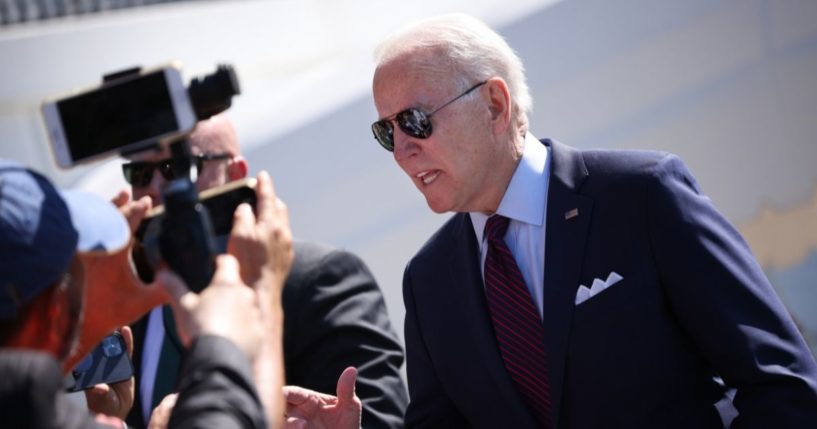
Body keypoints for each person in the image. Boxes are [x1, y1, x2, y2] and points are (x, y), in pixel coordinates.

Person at [364, 13, 817, 429]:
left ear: (495, 105)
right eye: (388, 132)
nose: (403, 150)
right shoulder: (428, 282)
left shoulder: (641, 196)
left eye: (416, 121)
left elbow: (781, 383)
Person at [106, 114, 407, 429]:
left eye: (178, 168)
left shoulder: (318, 280)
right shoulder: (129, 305)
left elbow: (378, 421)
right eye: (140, 174)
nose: (157, 188)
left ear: (235, 173)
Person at [0, 160, 290, 428]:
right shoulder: (28, 405)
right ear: (54, 312)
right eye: (75, 274)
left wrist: (81, 325)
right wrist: (262, 293)